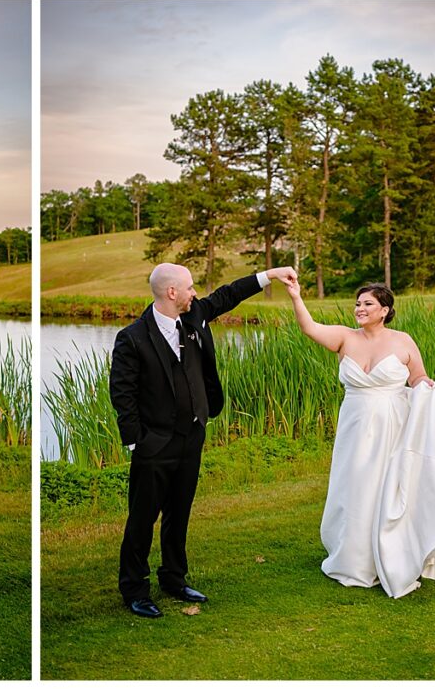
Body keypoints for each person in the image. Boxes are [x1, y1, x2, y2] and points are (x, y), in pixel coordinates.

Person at [109, 263, 297, 618]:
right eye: (190, 288)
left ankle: (174, 579)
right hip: (154, 446)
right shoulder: (132, 338)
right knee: (142, 518)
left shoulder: (195, 315)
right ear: (171, 293)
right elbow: (122, 393)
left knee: (179, 513)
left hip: (191, 436)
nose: (195, 293)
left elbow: (229, 295)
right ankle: (134, 589)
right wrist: (138, 442)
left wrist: (269, 275)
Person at [286, 279, 435, 597]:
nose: (360, 309)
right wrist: (295, 296)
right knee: (354, 488)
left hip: (393, 425)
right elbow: (309, 328)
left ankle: (390, 552)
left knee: (386, 486)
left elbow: (417, 377)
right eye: (358, 304)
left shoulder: (403, 341)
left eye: (367, 304)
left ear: (384, 310)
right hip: (354, 427)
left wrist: (428, 388)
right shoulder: (345, 338)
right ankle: (354, 558)